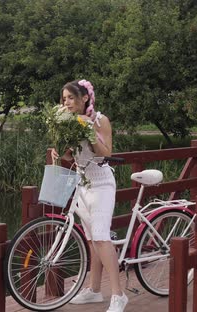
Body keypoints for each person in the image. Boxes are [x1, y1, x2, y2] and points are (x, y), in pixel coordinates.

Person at [51, 79, 128, 312]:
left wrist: (87, 128)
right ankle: (94, 291)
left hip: (102, 184)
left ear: (85, 98)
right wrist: (59, 150)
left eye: (71, 98)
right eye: (64, 99)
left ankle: (118, 295)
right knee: (92, 240)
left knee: (102, 238)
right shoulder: (68, 122)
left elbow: (106, 153)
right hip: (82, 184)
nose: (66, 102)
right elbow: (69, 157)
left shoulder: (100, 120)